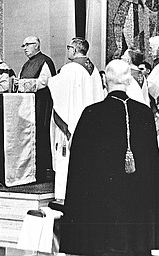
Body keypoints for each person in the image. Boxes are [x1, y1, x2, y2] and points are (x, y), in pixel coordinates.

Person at [59, 59, 159, 256]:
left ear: (105, 80)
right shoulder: (144, 113)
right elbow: (152, 166)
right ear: (129, 81)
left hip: (101, 215)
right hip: (135, 215)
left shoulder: (91, 113)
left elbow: (79, 168)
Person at [48, 37, 105, 202]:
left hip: (72, 120)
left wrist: (51, 81)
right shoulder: (93, 69)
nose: (68, 51)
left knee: (66, 157)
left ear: (75, 49)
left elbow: (55, 88)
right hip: (90, 124)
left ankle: (63, 195)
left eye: (69, 47)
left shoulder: (70, 68)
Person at [17, 36, 57, 182]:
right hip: (29, 105)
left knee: (41, 134)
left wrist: (22, 85)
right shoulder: (27, 64)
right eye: (24, 45)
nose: (25, 48)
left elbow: (44, 82)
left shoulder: (45, 61)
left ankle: (43, 172)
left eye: (27, 45)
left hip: (42, 104)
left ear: (36, 45)